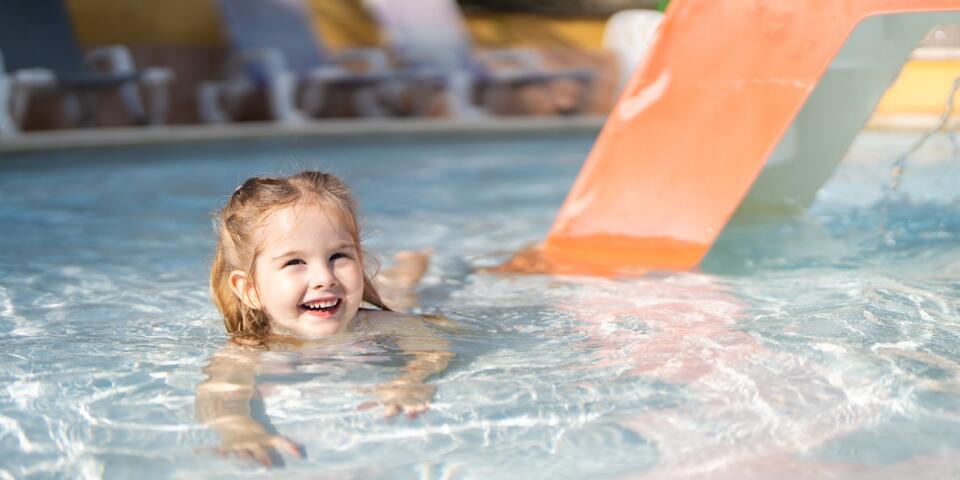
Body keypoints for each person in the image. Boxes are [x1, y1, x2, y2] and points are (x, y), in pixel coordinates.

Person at [196, 171, 452, 467]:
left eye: (338, 256)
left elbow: (435, 349)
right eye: (295, 262)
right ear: (250, 290)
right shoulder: (249, 349)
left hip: (385, 305)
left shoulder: (378, 324)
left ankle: (411, 263)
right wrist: (239, 429)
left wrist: (411, 380)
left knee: (401, 291)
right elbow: (217, 396)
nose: (324, 278)